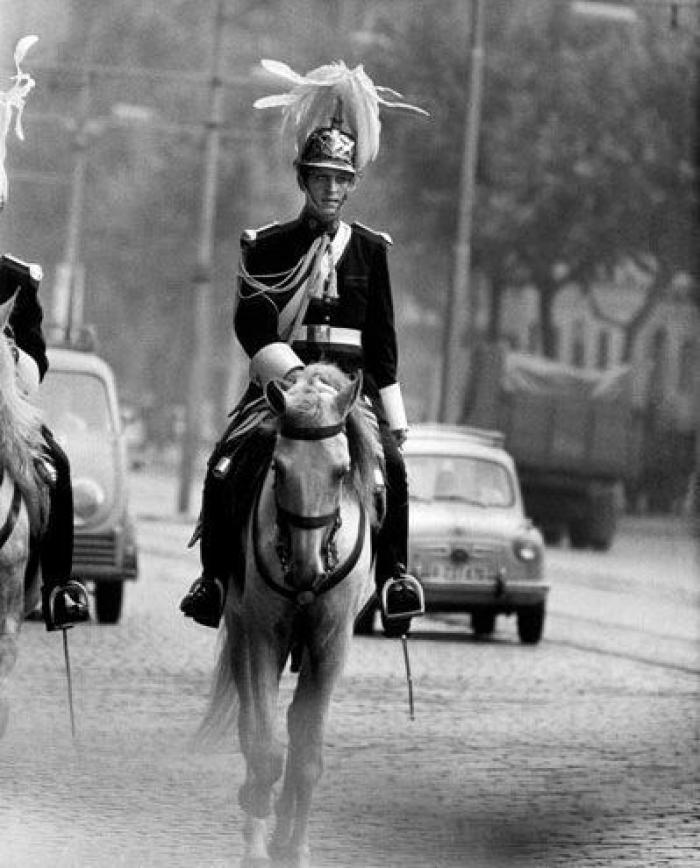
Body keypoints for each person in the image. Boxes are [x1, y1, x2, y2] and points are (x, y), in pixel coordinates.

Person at [181, 60, 428, 634]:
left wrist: (394, 422)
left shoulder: (371, 251)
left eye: (342, 179)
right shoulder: (265, 246)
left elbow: (383, 346)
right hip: (283, 394)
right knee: (223, 465)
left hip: (347, 399)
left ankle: (394, 578)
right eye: (322, 178)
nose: (332, 189)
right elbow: (251, 326)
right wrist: (292, 380)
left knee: (393, 468)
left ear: (353, 183)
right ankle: (213, 580)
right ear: (303, 179)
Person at [0, 37, 89, 631]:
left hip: (2, 407)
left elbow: (35, 356)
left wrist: (7, 362)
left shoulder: (15, 279)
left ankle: (59, 588)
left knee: (53, 465)